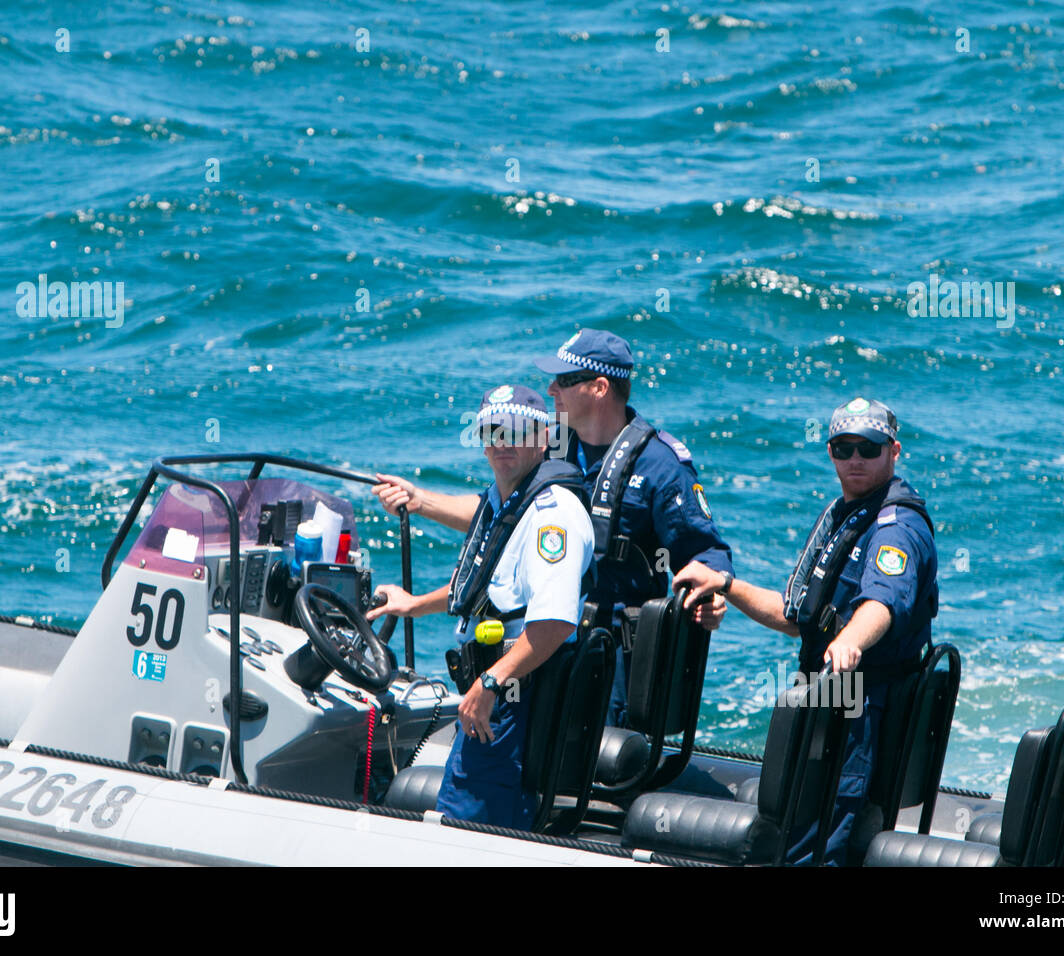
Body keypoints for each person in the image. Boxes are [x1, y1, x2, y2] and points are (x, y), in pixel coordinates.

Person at [373, 329, 735, 725]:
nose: (550, 389)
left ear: (599, 387)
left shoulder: (660, 466)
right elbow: (500, 515)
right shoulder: (551, 445)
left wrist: (711, 596)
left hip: (612, 655)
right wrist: (420, 501)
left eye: (564, 381)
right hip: (544, 646)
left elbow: (706, 553)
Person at [676, 397, 938, 865]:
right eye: (843, 448)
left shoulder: (896, 528)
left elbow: (884, 601)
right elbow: (798, 618)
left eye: (869, 448)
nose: (855, 459)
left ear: (893, 450)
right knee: (796, 830)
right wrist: (727, 585)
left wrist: (851, 642)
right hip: (824, 697)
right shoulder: (845, 516)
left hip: (857, 706)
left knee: (819, 845)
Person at [368, 385, 593, 830]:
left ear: (544, 437)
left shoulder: (552, 514)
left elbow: (554, 622)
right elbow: (485, 589)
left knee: (470, 828)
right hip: (496, 689)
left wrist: (490, 683)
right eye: (492, 430)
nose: (502, 442)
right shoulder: (505, 500)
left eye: (516, 431)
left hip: (512, 694)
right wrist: (413, 605)